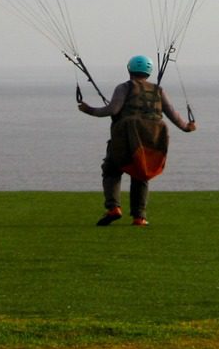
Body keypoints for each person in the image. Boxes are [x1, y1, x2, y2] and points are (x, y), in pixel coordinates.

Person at [78, 54, 197, 226]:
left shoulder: (125, 87)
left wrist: (88, 110)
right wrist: (187, 127)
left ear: (129, 70)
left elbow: (113, 109)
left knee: (112, 169)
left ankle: (113, 207)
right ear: (148, 72)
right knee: (142, 171)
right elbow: (172, 114)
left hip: (126, 135)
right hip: (151, 136)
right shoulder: (158, 90)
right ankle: (139, 217)